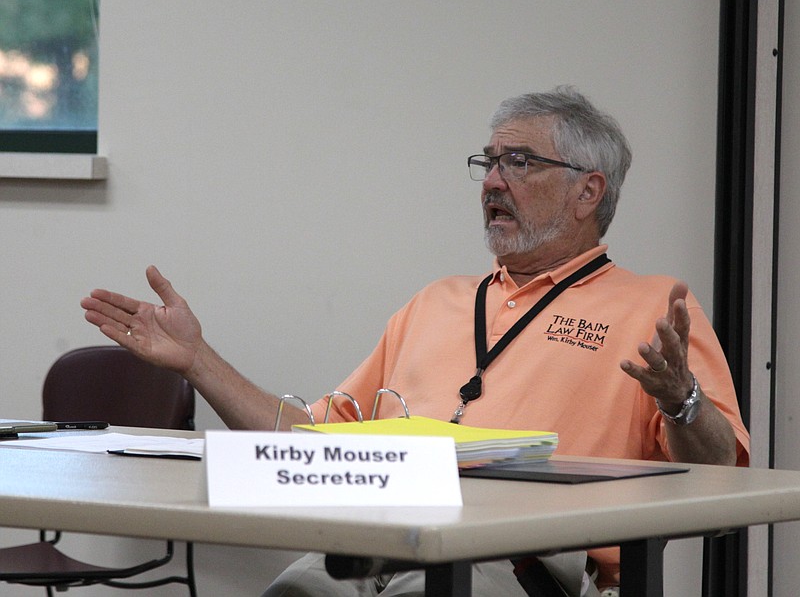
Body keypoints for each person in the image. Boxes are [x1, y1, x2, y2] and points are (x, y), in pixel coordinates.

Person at [81, 86, 750, 597]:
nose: (492, 180)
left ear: (588, 192)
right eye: (488, 163)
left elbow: (725, 485)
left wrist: (683, 401)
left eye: (518, 161)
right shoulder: (437, 303)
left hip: (521, 563)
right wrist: (198, 362)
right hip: (377, 537)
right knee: (294, 590)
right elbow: (311, 444)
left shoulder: (653, 309)